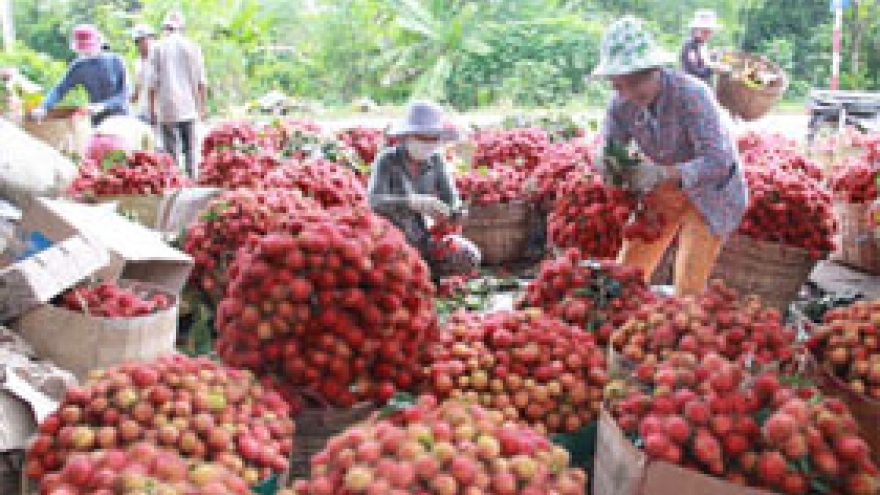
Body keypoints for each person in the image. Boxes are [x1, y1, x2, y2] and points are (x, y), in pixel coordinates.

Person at [593, 16, 748, 297]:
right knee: (626, 272)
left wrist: (663, 173)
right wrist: (605, 161)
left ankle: (680, 324)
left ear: (655, 69)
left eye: (637, 81)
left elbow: (718, 161)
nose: (629, 92)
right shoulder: (620, 104)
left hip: (712, 193)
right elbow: (609, 143)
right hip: (666, 188)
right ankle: (622, 320)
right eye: (619, 85)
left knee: (689, 285)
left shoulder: (692, 95)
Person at [368, 101, 481, 277]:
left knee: (469, 256)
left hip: (423, 238)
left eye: (433, 138)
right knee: (394, 272)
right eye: (422, 137)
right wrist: (411, 202)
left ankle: (430, 277)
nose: (428, 143)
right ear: (407, 136)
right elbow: (373, 202)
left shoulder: (436, 160)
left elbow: (451, 199)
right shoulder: (387, 160)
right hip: (388, 238)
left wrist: (455, 213)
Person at [30, 25, 129, 126]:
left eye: (88, 47)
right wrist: (43, 107)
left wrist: (103, 106)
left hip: (120, 118)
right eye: (82, 49)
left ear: (99, 42)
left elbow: (124, 94)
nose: (86, 52)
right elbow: (60, 89)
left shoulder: (116, 61)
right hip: (98, 121)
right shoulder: (79, 66)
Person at [148, 11, 207, 178]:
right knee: (190, 151)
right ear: (182, 28)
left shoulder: (157, 48)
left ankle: (175, 186)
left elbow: (153, 83)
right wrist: (202, 108)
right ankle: (191, 182)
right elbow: (202, 82)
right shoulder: (193, 47)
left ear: (165, 28)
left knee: (171, 155)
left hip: (167, 109)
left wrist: (152, 110)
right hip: (190, 106)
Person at [680, 9, 721, 86]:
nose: (708, 35)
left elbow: (704, 63)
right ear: (696, 30)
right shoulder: (689, 46)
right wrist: (712, 69)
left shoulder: (702, 45)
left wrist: (714, 58)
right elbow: (693, 73)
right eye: (705, 31)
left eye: (709, 31)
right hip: (690, 88)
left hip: (701, 87)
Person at [130, 24, 156, 124]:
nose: (142, 44)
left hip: (159, 112)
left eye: (145, 39)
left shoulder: (160, 60)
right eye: (138, 41)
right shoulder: (138, 63)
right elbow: (137, 89)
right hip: (142, 111)